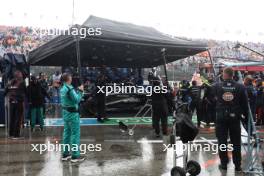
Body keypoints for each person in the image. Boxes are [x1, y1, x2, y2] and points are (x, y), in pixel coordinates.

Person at [212, 67, 248, 172]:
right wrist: (245, 118)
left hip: (221, 118)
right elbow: (245, 104)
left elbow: (211, 99)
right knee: (236, 142)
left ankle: (224, 164)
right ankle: (237, 165)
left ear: (225, 74)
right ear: (232, 75)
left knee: (222, 142)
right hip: (234, 118)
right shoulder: (240, 87)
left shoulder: (217, 86)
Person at [60, 73, 85, 162]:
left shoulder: (63, 88)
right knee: (75, 134)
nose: (71, 78)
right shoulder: (69, 89)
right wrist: (81, 91)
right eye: (70, 77)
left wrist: (77, 91)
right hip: (73, 114)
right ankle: (75, 156)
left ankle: (65, 154)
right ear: (68, 79)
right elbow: (77, 99)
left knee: (66, 134)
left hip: (65, 113)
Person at [4, 70, 27, 139]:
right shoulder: (22, 83)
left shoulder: (10, 83)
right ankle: (16, 135)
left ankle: (11, 134)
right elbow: (25, 92)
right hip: (19, 102)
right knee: (18, 118)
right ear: (19, 76)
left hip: (11, 103)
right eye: (20, 74)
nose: (22, 75)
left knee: (12, 118)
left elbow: (5, 92)